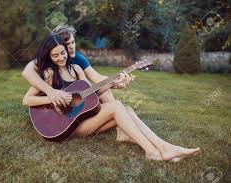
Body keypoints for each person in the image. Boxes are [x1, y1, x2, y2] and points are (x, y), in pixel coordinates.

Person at [22, 34, 201, 162]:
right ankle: (152, 152)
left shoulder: (76, 70)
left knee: (127, 109)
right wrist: (53, 97)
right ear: (48, 56)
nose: (61, 58)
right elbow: (27, 100)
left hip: (81, 121)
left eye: (63, 53)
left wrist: (112, 84)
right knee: (116, 107)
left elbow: (89, 95)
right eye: (55, 55)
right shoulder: (48, 74)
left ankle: (163, 147)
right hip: (65, 127)